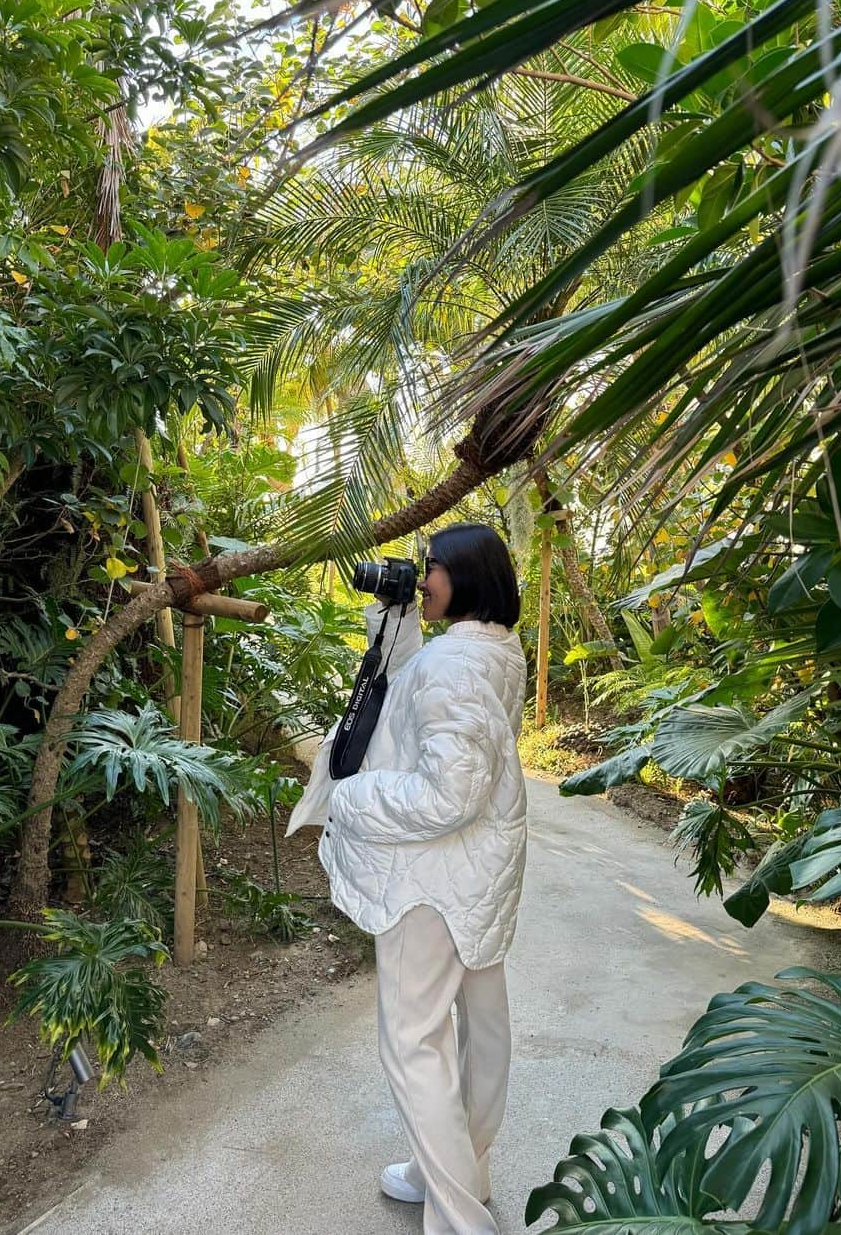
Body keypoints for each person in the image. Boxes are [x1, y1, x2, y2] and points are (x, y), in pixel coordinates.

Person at [286, 522, 528, 1235]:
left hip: (432, 880)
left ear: (467, 579)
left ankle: (458, 1219)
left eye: (432, 570)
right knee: (481, 1027)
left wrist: (352, 796)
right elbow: (412, 695)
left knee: (412, 1041)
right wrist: (392, 621)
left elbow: (448, 792)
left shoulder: (456, 666)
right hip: (476, 870)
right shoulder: (491, 648)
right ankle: (459, 1171)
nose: (421, 579)